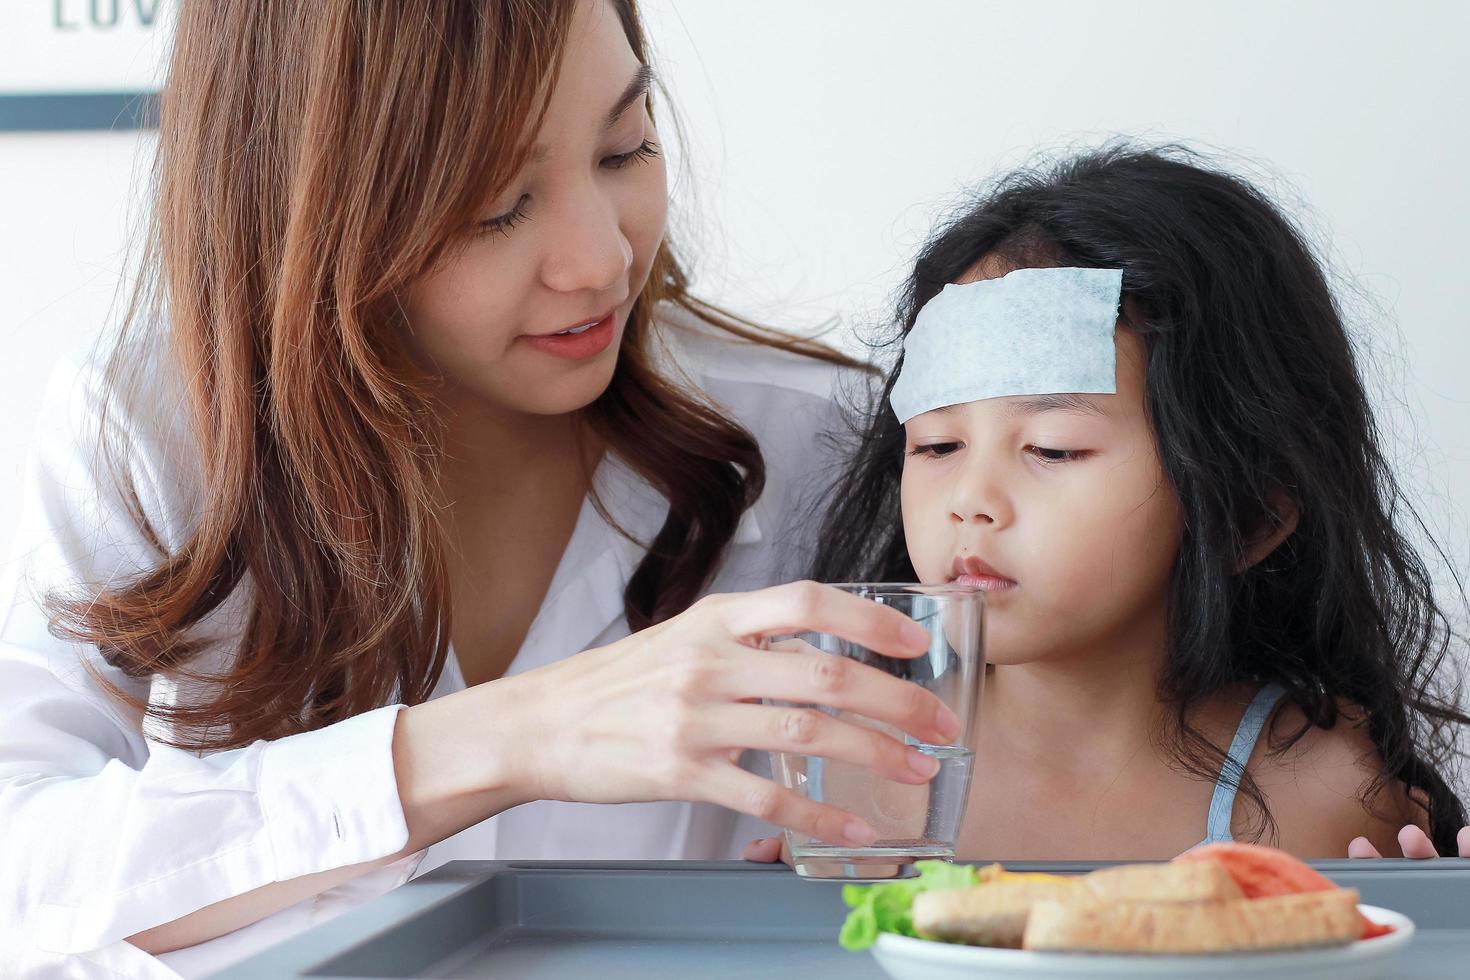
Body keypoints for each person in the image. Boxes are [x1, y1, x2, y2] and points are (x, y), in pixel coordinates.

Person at [0, 2, 960, 976]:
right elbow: (21, 876)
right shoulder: (153, 428)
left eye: (624, 148)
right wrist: (497, 739)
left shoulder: (812, 437)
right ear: (308, 197)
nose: (601, 260)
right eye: (495, 204)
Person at [748, 147, 1468, 864]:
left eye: (1053, 449)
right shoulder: (848, 772)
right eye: (937, 445)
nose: (970, 500)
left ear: (1248, 513)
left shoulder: (1322, 797)